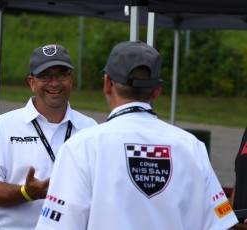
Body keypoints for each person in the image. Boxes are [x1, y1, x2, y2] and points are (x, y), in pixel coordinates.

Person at [35, 41, 238, 230]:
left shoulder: (81, 146)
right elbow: (220, 220)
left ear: (107, 83)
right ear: (157, 90)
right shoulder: (192, 147)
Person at [0, 44, 97, 229]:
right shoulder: (3, 126)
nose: (54, 83)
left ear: (71, 79)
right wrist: (27, 193)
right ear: (31, 82)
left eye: (61, 74)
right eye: (45, 76)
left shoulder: (90, 129)